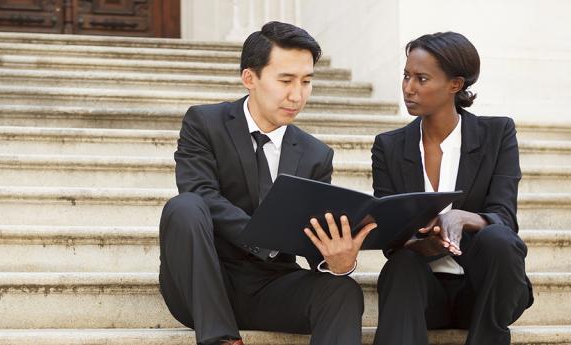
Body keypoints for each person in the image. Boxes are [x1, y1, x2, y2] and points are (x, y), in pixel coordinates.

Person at [158, 21, 376, 345]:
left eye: (306, 82)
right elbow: (199, 191)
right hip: (204, 283)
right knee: (185, 207)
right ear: (250, 78)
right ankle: (221, 339)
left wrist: (338, 261)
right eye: (286, 80)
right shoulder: (204, 123)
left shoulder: (316, 155)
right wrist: (264, 237)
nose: (296, 95)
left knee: (342, 290)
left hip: (272, 287)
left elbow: (314, 240)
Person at [371, 31, 533, 345]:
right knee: (401, 264)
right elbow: (390, 239)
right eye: (406, 76)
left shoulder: (497, 134)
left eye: (421, 78)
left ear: (455, 85)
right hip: (421, 295)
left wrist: (461, 217)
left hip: (487, 292)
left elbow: (504, 216)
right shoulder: (388, 147)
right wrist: (422, 245)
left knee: (499, 238)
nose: (409, 88)